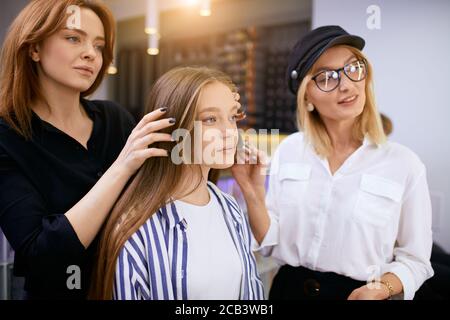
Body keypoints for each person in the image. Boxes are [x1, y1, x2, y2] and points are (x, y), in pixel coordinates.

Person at [231, 25, 434, 300]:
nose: (347, 84)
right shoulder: (290, 150)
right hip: (288, 291)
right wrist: (252, 192)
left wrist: (382, 288)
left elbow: (416, 260)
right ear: (307, 96)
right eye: (326, 77)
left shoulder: (404, 164)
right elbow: (271, 242)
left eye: (353, 68)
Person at [0, 0, 175, 299]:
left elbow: (157, 197)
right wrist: (122, 166)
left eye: (98, 45)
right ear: (34, 48)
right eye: (73, 38)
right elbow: (42, 253)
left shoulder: (115, 119)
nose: (90, 54)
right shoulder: (8, 136)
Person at [89, 66, 264, 300]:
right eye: (210, 119)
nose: (229, 132)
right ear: (172, 128)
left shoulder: (231, 210)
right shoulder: (137, 229)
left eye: (232, 117)